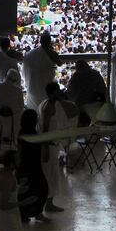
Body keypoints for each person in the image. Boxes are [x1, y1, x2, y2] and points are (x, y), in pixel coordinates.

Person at [38, 82, 77, 212]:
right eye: (58, 91)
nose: (60, 93)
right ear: (53, 93)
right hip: (49, 145)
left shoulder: (53, 104)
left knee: (52, 176)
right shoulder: (48, 107)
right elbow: (44, 129)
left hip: (53, 144)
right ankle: (47, 204)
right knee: (49, 176)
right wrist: (45, 148)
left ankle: (49, 203)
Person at [16, 109, 49, 222]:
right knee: (28, 191)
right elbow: (20, 152)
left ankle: (37, 213)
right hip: (27, 167)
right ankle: (25, 214)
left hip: (34, 166)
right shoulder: (25, 134)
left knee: (41, 189)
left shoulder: (29, 133)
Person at [22, 32, 60, 110]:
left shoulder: (29, 54)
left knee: (34, 112)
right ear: (49, 42)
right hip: (47, 90)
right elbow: (59, 63)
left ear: (40, 41)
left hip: (33, 88)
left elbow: (24, 72)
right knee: (45, 111)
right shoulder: (53, 54)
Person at [65, 59, 108, 124]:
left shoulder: (76, 76)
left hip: (82, 106)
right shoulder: (95, 74)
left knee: (83, 126)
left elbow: (70, 92)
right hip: (96, 104)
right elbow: (103, 89)